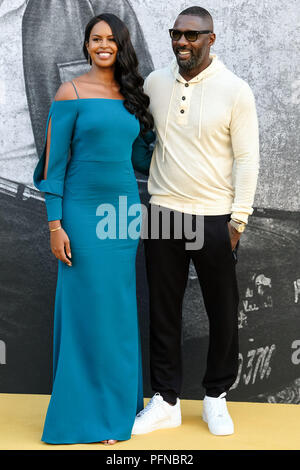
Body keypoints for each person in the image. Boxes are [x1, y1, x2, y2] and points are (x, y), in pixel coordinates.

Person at [132, 6, 259, 436]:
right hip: (163, 213)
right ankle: (165, 400)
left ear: (211, 38)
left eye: (192, 35)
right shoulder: (154, 82)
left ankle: (215, 397)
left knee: (222, 312)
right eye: (176, 34)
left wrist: (237, 221)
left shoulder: (235, 90)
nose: (181, 43)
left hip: (214, 217)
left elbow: (247, 159)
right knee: (163, 312)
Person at [33, 13, 154, 445]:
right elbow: (53, 165)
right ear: (86, 45)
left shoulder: (131, 95)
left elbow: (140, 158)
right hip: (82, 217)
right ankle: (85, 416)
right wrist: (54, 223)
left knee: (118, 314)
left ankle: (117, 409)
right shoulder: (71, 92)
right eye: (95, 38)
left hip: (123, 216)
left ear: (121, 46)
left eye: (111, 39)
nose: (103, 45)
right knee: (88, 313)